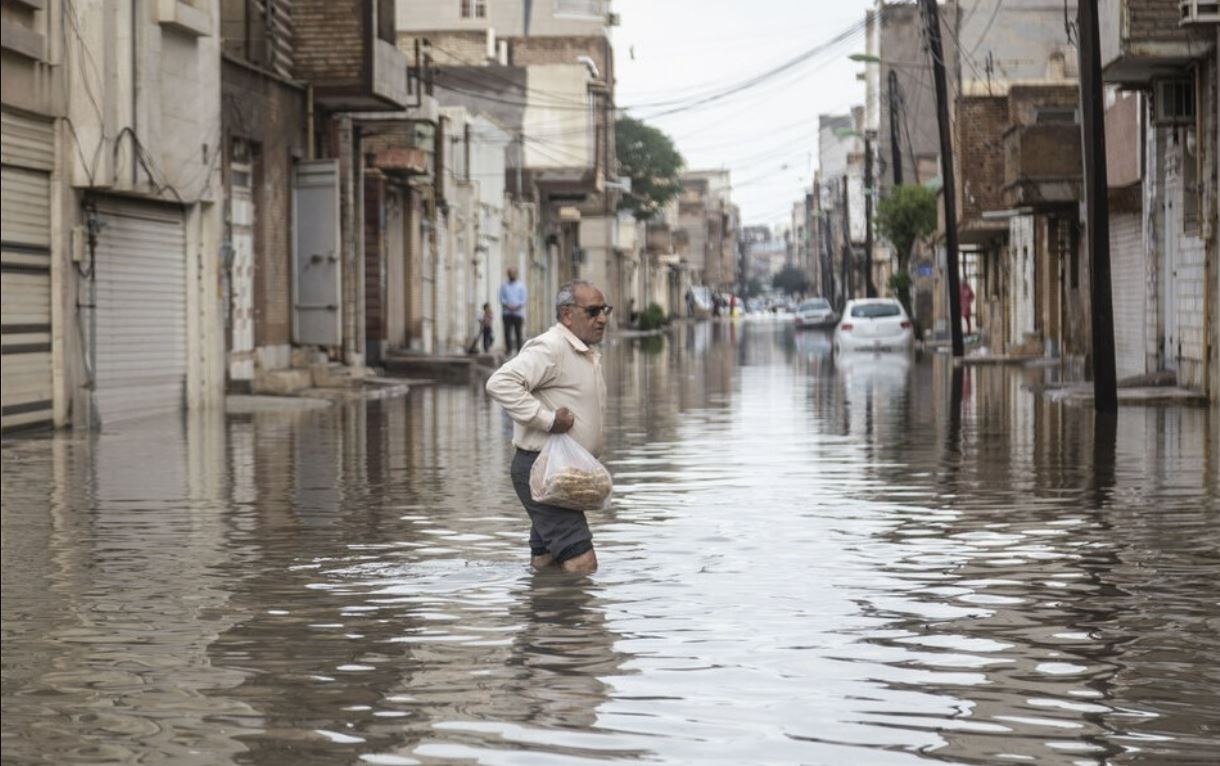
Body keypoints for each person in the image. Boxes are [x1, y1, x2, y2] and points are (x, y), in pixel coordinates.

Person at [485, 280, 611, 575]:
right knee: (583, 564)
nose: (602, 318)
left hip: (564, 473)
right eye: (593, 311)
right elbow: (499, 383)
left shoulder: (583, 350)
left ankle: (542, 614)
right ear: (567, 315)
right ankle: (570, 618)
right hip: (543, 468)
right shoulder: (551, 347)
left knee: (547, 564)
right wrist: (548, 420)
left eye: (605, 310)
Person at [499, 267, 527, 354]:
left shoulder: (521, 286)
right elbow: (501, 298)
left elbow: (523, 299)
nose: (512, 275)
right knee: (507, 332)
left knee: (518, 332)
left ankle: (519, 350)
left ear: (516, 274)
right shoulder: (504, 285)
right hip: (507, 312)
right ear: (508, 274)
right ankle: (508, 349)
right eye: (510, 273)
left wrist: (517, 305)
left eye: (513, 273)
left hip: (517, 313)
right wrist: (507, 305)